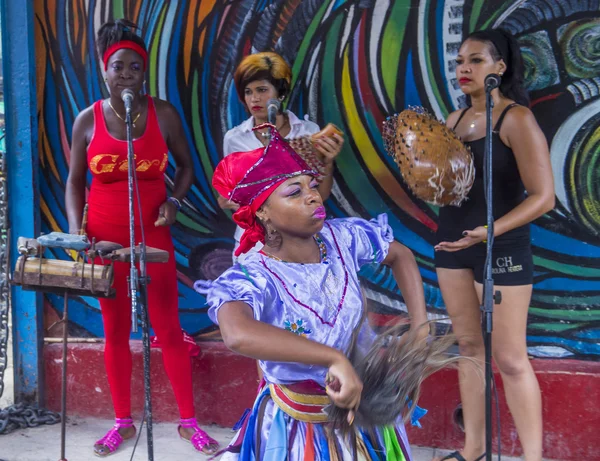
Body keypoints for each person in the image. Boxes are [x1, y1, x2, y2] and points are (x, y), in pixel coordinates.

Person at [196, 128, 434, 460]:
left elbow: (401, 255)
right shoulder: (252, 276)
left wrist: (420, 327)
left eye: (312, 186)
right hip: (298, 429)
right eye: (295, 192)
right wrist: (332, 359)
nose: (313, 196)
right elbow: (237, 334)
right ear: (262, 212)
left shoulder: (343, 239)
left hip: (364, 417)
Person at [65, 19, 218, 456]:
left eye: (135, 67)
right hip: (103, 240)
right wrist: (79, 231)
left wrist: (174, 201)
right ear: (104, 70)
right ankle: (122, 423)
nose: (127, 74)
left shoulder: (163, 114)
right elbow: (75, 182)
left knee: (168, 326)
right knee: (114, 330)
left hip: (154, 234)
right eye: (119, 67)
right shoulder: (86, 121)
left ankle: (189, 423)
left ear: (144, 73)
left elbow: (186, 168)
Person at [433, 29, 555, 461]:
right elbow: (447, 188)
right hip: (452, 247)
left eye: (476, 61)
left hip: (500, 248)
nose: (464, 69)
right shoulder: (451, 121)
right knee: (468, 348)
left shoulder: (515, 119)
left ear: (499, 67)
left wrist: (491, 230)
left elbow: (544, 197)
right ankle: (473, 450)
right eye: (460, 61)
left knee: (509, 357)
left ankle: (533, 456)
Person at [219, 51, 344, 261]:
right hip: (255, 243)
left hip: (301, 238)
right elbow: (231, 197)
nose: (254, 98)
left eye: (262, 90)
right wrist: (230, 199)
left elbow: (321, 195)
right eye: (248, 92)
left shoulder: (306, 132)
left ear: (281, 93)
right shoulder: (235, 139)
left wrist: (327, 162)